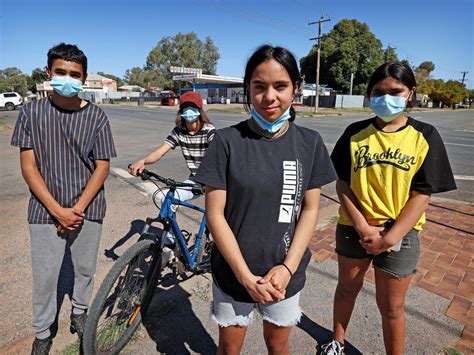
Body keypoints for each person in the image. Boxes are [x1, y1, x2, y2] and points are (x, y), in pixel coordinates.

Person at [194, 45, 337, 354]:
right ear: (248, 88)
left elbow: (310, 209)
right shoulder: (226, 141)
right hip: (232, 275)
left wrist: (287, 268)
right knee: (229, 348)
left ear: (296, 88)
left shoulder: (309, 143)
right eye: (259, 87)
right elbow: (215, 215)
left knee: (278, 345)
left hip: (283, 276)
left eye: (280, 86)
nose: (269, 96)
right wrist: (245, 277)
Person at [321, 62, 456, 355]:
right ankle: (337, 342)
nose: (386, 98)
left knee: (392, 307)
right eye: (378, 92)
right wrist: (362, 226)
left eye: (396, 91)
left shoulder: (425, 135)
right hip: (354, 230)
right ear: (369, 95)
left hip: (401, 235)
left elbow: (423, 193)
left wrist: (390, 237)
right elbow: (342, 183)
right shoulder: (354, 133)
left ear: (411, 93)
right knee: (346, 290)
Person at [10, 43, 116, 355]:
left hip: (88, 209)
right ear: (48, 73)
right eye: (61, 72)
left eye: (74, 74)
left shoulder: (97, 117)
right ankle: (43, 332)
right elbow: (28, 167)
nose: (67, 78)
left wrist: (78, 209)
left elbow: (102, 166)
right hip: (45, 210)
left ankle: (80, 313)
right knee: (45, 276)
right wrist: (58, 211)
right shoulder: (31, 112)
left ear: (84, 79)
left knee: (84, 270)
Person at [128, 91, 215, 250]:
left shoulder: (209, 131)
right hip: (195, 181)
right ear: (180, 111)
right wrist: (143, 161)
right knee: (166, 200)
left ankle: (210, 241)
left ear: (200, 110)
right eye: (185, 107)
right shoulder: (178, 131)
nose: (189, 111)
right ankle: (172, 241)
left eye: (193, 107)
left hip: (214, 181)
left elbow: (219, 156)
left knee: (218, 217)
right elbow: (160, 152)